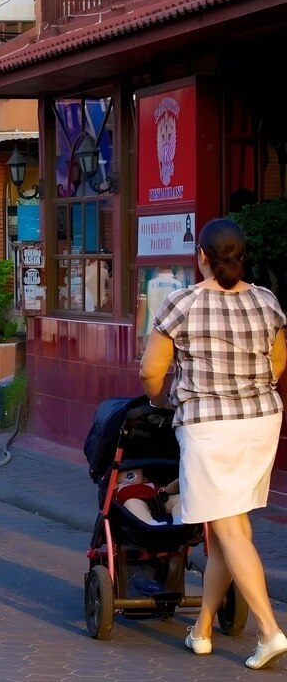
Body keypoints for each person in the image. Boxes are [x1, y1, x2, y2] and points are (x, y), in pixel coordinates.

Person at [139, 218, 287, 669]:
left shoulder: (180, 303)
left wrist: (161, 400)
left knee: (228, 529)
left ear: (201, 256)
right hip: (262, 421)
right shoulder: (267, 300)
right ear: (240, 255)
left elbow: (150, 372)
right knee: (226, 526)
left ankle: (269, 630)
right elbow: (278, 360)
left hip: (209, 426)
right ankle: (202, 628)